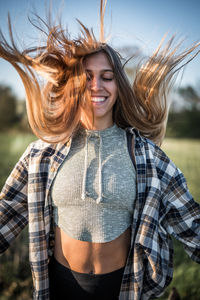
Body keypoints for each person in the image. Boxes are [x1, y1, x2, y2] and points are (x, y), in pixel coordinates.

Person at [0, 1, 200, 299]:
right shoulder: (40, 154)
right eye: (87, 77)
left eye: (107, 77)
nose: (97, 86)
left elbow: (191, 225)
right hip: (57, 286)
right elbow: (5, 216)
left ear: (118, 86)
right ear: (73, 85)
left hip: (123, 288)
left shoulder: (147, 156)